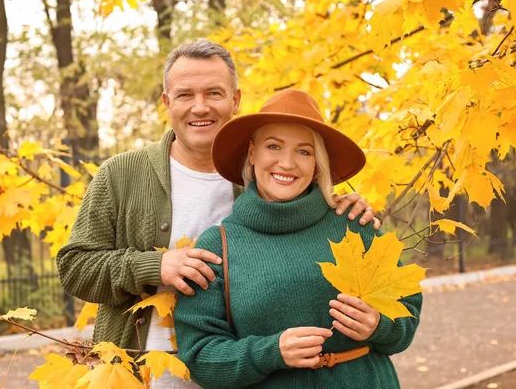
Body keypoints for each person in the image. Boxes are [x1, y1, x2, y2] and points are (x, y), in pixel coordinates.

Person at [56, 40, 379, 387]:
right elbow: (75, 267)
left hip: (244, 376)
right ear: (167, 102)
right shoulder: (122, 174)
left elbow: (304, 212)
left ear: (235, 100)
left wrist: (335, 201)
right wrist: (154, 266)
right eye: (184, 95)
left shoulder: (264, 176)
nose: (200, 107)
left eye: (214, 93)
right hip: (141, 378)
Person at [174, 89, 422, 388]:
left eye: (304, 151)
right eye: (274, 146)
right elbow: (200, 356)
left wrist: (379, 327)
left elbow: (406, 317)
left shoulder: (356, 225)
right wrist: (270, 352)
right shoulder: (219, 246)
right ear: (252, 152)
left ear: (318, 163)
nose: (288, 163)